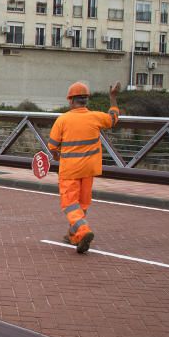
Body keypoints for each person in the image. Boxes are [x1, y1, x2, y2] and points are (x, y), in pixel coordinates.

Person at [47, 81, 120, 254]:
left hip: (70, 170)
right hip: (89, 169)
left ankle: (84, 231)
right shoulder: (95, 117)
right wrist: (113, 98)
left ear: (71, 101)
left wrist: (57, 156)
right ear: (86, 100)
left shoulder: (62, 119)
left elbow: (52, 146)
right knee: (82, 204)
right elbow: (113, 118)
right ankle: (74, 235)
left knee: (70, 204)